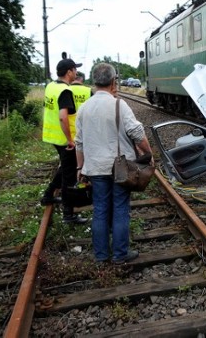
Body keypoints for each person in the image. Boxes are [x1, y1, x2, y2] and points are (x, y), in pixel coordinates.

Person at [75, 63, 154, 264]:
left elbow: (80, 143)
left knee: (100, 210)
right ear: (113, 82)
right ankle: (120, 254)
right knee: (120, 209)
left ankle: (101, 256)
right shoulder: (119, 105)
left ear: (95, 82)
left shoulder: (84, 108)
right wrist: (148, 154)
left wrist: (79, 168)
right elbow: (137, 133)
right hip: (120, 168)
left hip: (95, 168)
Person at [41, 58, 89, 225]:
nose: (76, 73)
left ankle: (48, 195)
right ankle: (68, 215)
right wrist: (70, 140)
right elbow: (63, 117)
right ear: (69, 72)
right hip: (63, 139)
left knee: (65, 168)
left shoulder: (50, 86)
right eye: (74, 70)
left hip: (52, 136)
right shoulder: (64, 91)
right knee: (69, 176)